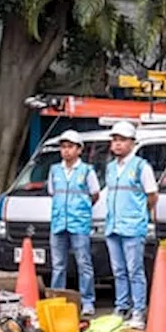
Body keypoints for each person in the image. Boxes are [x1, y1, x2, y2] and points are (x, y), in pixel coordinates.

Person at [103, 120, 159, 329]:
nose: (117, 144)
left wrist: (139, 214)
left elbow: (152, 196)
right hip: (113, 226)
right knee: (118, 270)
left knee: (134, 270)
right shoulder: (110, 168)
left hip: (133, 227)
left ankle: (138, 310)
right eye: (115, 140)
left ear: (132, 143)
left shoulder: (141, 167)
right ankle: (121, 306)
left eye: (122, 140)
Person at [48, 129, 100, 316]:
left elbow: (95, 194)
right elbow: (53, 192)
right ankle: (57, 299)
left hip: (79, 223)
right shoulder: (55, 170)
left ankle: (87, 301)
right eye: (63, 147)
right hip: (58, 222)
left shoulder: (87, 171)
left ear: (79, 150)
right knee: (58, 264)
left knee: (83, 263)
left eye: (70, 147)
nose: (66, 151)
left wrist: (81, 210)